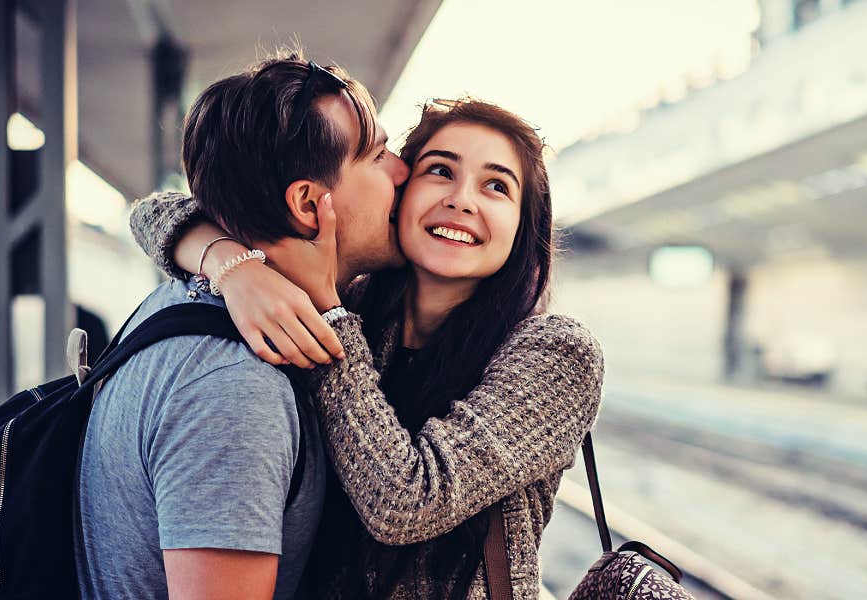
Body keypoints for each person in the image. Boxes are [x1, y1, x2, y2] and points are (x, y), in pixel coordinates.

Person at [134, 98, 604, 599]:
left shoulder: (557, 354)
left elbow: (405, 503)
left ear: (522, 224)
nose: (462, 200)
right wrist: (234, 267)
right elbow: (152, 212)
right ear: (399, 191)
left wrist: (329, 316)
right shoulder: (365, 310)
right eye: (440, 171)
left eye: (496, 186)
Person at [76, 50, 408, 600]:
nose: (401, 170)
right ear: (307, 203)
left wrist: (229, 261)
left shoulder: (187, 297)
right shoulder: (234, 389)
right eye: (376, 156)